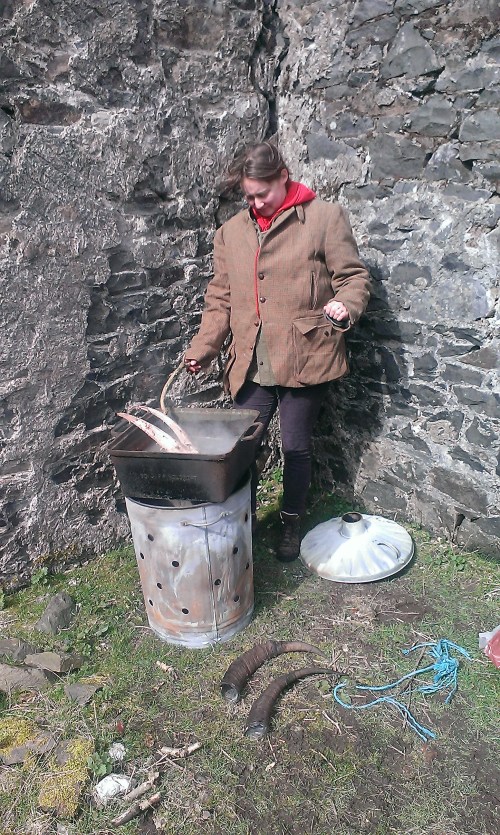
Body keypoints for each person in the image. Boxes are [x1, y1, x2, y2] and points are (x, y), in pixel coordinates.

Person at [184, 141, 370, 562]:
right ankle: (239, 522)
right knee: (240, 447)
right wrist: (204, 349)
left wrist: (346, 305)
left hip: (307, 356)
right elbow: (220, 298)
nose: (255, 202)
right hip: (251, 359)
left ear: (283, 176)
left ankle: (290, 524)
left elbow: (354, 278)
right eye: (248, 196)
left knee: (295, 446)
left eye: (261, 193)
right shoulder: (230, 232)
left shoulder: (324, 218)